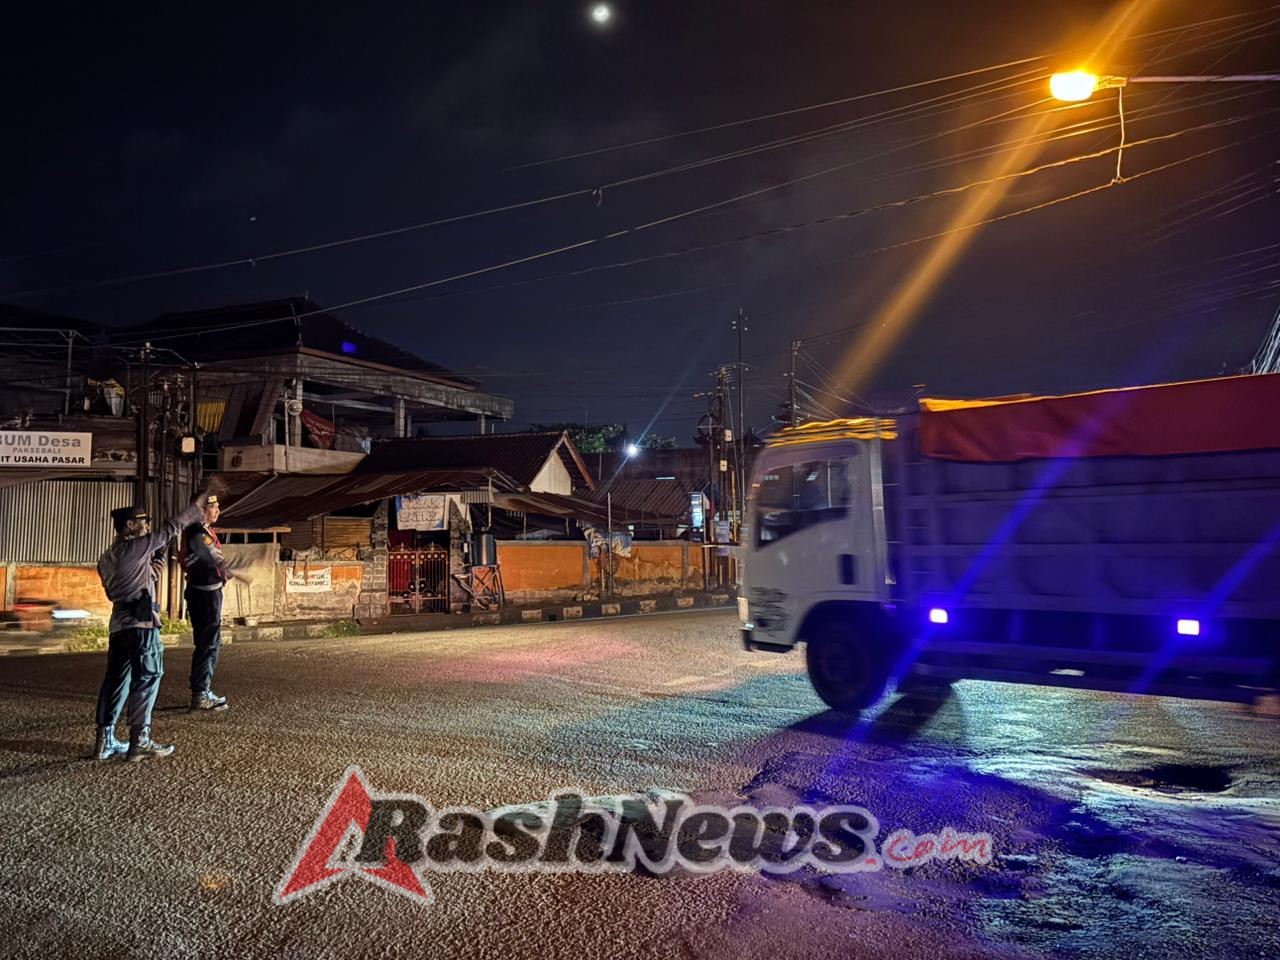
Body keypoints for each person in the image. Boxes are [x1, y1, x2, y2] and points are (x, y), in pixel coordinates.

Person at [94, 493, 208, 762]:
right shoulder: (135, 547)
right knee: (148, 676)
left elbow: (127, 584)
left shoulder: (107, 557)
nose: (147, 528)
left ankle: (104, 740)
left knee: (115, 681)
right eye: (143, 523)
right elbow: (169, 529)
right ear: (131, 526)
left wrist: (153, 566)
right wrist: (193, 509)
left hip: (119, 626)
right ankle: (139, 741)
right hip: (142, 626)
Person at [181, 494, 232, 711]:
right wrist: (232, 571)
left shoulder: (202, 530)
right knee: (208, 644)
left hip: (204, 592)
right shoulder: (198, 532)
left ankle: (201, 691)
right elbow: (215, 559)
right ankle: (201, 694)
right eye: (213, 507)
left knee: (207, 643)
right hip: (205, 594)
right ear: (202, 511)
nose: (217, 511)